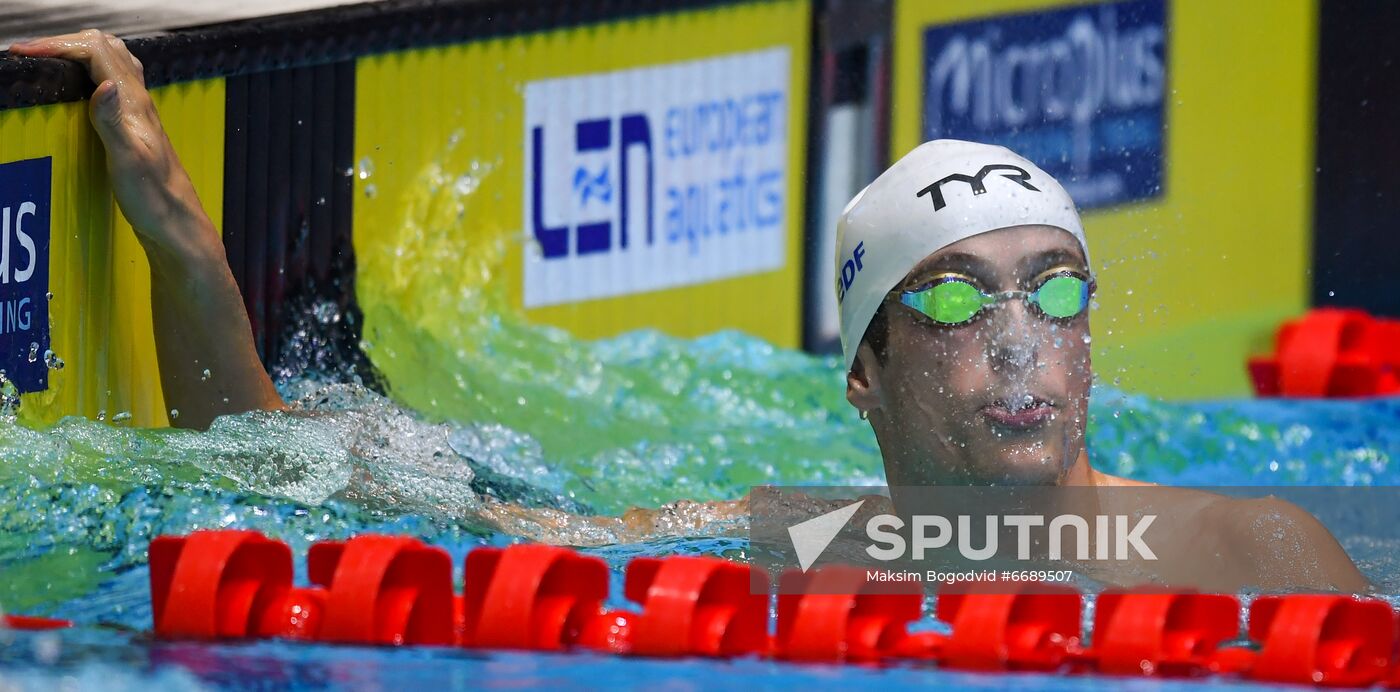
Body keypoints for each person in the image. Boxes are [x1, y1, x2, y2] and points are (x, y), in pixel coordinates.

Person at [10, 31, 1371, 592]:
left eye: (1056, 292)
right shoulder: (804, 539)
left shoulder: (1255, 546)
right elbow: (263, 473)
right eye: (956, 297)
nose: (1022, 341)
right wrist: (184, 252)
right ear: (865, 373)